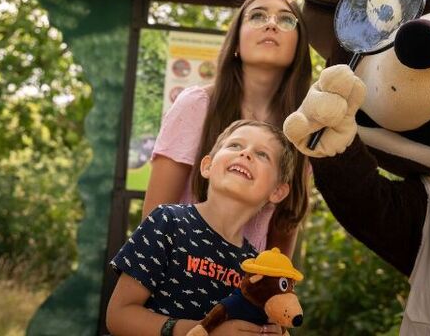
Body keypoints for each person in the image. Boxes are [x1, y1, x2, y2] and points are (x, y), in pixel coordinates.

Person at [142, 0, 312, 256]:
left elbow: (281, 242)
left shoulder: (304, 128)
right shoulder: (196, 105)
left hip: (246, 283)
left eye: (286, 20)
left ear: (299, 47)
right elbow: (152, 225)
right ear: (236, 44)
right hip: (175, 274)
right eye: (257, 16)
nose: (271, 24)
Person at [107, 120, 297, 336]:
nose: (245, 154)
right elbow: (118, 316)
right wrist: (203, 331)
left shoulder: (256, 269)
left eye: (262, 154)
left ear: (277, 192)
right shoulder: (167, 221)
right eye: (235, 145)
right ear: (207, 166)